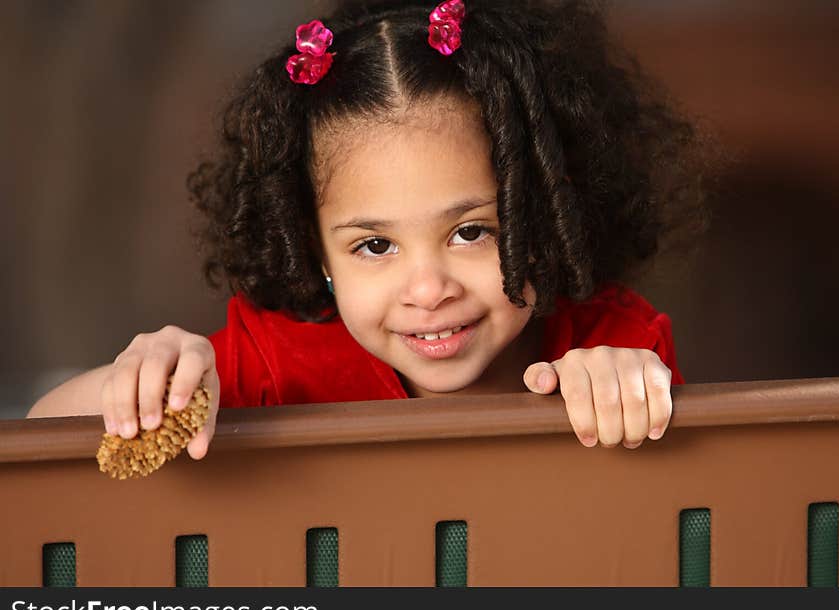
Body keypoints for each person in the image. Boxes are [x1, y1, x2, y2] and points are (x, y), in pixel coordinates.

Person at [28, 0, 710, 460]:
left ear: (548, 208)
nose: (427, 287)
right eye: (375, 245)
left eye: (472, 231)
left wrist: (630, 392)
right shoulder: (280, 362)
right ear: (316, 252)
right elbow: (44, 426)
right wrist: (151, 376)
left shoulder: (613, 344)